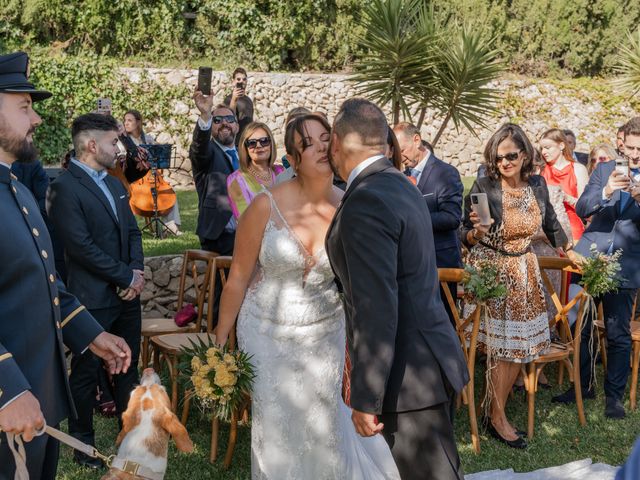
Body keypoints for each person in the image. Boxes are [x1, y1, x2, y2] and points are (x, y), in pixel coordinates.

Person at [215, 113, 400, 478]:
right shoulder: (265, 206)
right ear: (293, 159)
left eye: (324, 138)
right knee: (277, 426)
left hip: (325, 330)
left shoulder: (350, 205)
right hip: (266, 330)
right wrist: (220, 339)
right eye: (307, 143)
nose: (319, 147)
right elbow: (237, 279)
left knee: (324, 418)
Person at [0, 51, 131, 480]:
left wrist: (91, 335)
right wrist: (7, 390)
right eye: (24, 106)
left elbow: (43, 284)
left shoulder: (16, 190)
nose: (35, 119)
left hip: (38, 404)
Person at [326, 98, 468, 479]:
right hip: (426, 361)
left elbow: (376, 306)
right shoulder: (398, 183)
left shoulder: (366, 200)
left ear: (337, 141)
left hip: (409, 378)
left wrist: (366, 396)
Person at [462, 123, 574, 449]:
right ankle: (496, 416)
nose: (505, 163)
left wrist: (567, 250)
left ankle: (492, 410)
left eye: (511, 156)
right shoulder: (483, 187)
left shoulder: (537, 184)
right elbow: (468, 235)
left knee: (517, 347)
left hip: (525, 269)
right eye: (498, 158)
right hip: (494, 268)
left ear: (524, 154)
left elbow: (551, 223)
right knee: (505, 348)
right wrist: (474, 234)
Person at [47, 113, 144, 469]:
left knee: (127, 368)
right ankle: (83, 444)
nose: (118, 149)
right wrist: (124, 277)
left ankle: (130, 438)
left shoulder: (117, 184)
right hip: (90, 299)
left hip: (126, 295)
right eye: (112, 142)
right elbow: (80, 247)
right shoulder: (62, 187)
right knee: (86, 374)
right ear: (91, 145)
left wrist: (136, 272)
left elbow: (132, 232)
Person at [553, 117, 640, 419]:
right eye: (631, 147)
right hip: (589, 259)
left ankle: (613, 397)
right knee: (583, 326)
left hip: (625, 265)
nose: (635, 154)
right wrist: (605, 192)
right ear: (620, 142)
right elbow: (582, 207)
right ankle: (584, 384)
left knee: (617, 333)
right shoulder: (603, 170)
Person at [394, 122, 463, 327]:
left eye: (403, 150)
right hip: (410, 265)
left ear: (417, 140)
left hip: (440, 264)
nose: (401, 157)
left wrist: (411, 221)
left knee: (443, 327)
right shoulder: (401, 177)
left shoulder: (446, 173)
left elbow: (452, 217)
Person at [190, 92, 240, 255]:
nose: (224, 123)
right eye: (217, 121)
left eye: (230, 119)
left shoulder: (246, 155)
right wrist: (205, 114)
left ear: (237, 126)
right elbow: (199, 146)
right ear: (211, 126)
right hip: (221, 237)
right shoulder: (207, 153)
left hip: (249, 230)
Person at [123, 109, 183, 236]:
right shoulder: (123, 142)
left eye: (129, 120)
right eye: (125, 121)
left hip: (152, 176)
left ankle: (171, 227)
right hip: (135, 179)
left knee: (169, 193)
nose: (126, 123)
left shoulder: (148, 138)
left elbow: (157, 155)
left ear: (138, 122)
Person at [539, 128, 589, 242]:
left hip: (573, 229)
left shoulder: (578, 169)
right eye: (541, 148)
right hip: (548, 232)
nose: (543, 152)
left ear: (561, 146)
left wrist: (566, 197)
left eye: (547, 148)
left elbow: (585, 208)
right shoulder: (540, 171)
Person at [226, 122, 284, 219]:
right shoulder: (236, 180)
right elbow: (245, 220)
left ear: (271, 144)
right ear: (245, 148)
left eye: (264, 141)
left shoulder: (281, 171)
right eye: (252, 143)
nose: (258, 146)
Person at [224, 67, 254, 145]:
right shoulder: (229, 99)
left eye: (244, 79)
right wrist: (234, 99)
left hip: (248, 142)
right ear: (233, 82)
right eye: (238, 79)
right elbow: (229, 119)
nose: (242, 81)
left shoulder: (248, 100)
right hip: (235, 143)